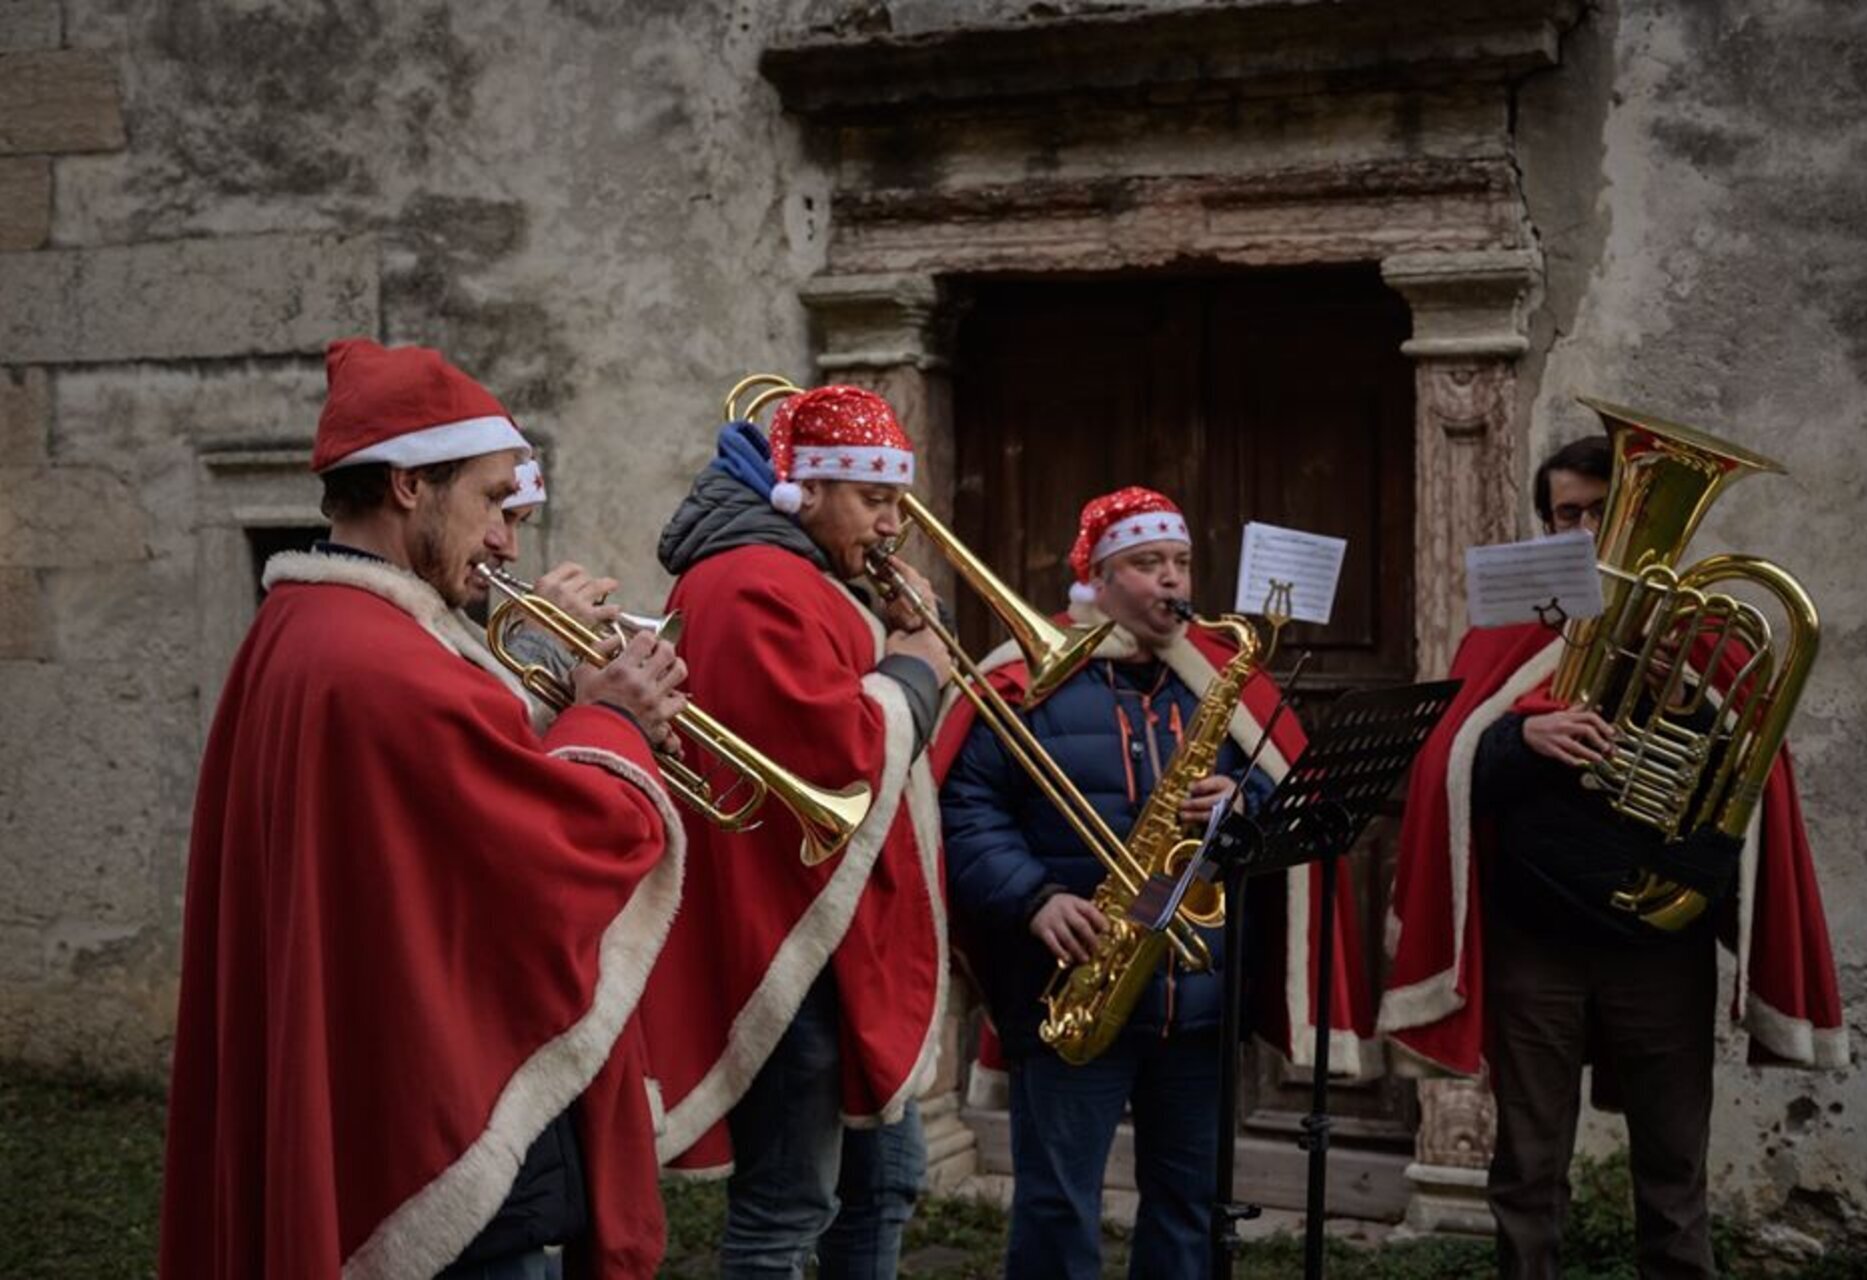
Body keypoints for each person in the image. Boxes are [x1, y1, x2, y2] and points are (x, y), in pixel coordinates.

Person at [158, 338, 691, 1279]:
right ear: (410, 485)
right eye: (492, 501)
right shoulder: (379, 659)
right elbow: (547, 857)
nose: (507, 542)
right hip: (447, 1162)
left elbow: (443, 824)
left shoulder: (310, 628)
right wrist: (613, 724)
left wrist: (560, 704)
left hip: (394, 1095)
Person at [1379, 435, 1849, 1279]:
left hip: (1659, 947)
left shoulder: (1705, 635)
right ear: (1546, 526)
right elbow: (1446, 769)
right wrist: (1521, 738)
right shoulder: (1507, 635)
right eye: (1570, 514)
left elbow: (1752, 785)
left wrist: (1687, 700)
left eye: (1605, 510)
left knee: (1673, 1173)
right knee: (1528, 1168)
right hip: (1534, 946)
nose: (1591, 531)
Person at [935, 486, 1377, 1280]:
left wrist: (1247, 799)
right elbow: (966, 810)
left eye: (1180, 562)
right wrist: (1035, 898)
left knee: (1190, 1204)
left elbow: (1283, 795)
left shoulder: (1219, 681)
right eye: (1147, 563)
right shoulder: (1025, 677)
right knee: (1057, 1204)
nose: (1172, 580)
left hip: (1197, 997)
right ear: (1098, 579)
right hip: (1070, 981)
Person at [636, 384, 954, 1278]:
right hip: (792, 944)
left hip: (841, 938)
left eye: (898, 501)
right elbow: (834, 753)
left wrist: (894, 637)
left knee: (883, 1184)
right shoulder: (753, 582)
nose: (894, 525)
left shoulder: (800, 573)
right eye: (875, 499)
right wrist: (916, 669)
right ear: (804, 490)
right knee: (788, 1209)